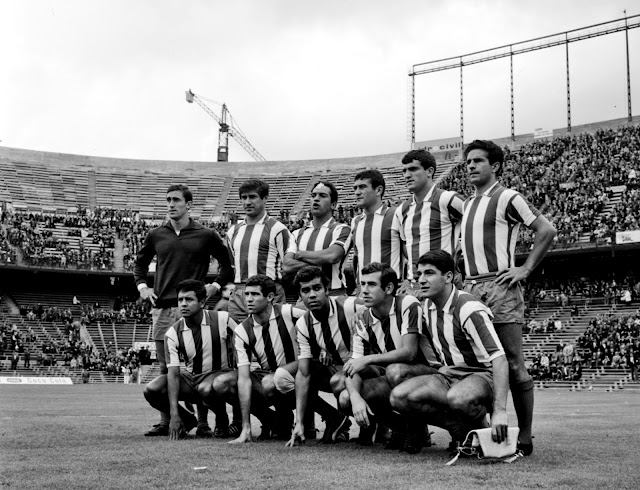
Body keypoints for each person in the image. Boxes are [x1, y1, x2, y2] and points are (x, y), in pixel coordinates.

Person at [460, 140, 557, 455]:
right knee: (480, 363)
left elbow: (547, 230)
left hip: (500, 286)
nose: (471, 166)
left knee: (513, 362)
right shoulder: (468, 203)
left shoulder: (507, 197)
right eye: (468, 162)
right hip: (471, 288)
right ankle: (490, 436)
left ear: (496, 166)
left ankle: (525, 437)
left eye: (478, 161)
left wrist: (525, 269)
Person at [134, 184, 234, 437]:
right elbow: (140, 263)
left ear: (188, 204)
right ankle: (169, 420)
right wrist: (143, 286)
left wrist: (214, 285)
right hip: (163, 308)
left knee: (199, 367)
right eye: (168, 199)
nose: (171, 204)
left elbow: (227, 265)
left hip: (194, 309)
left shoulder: (206, 234)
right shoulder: (156, 234)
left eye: (176, 200)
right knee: (166, 368)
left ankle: (202, 423)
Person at [390, 250, 509, 450]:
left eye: (429, 273)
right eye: (419, 274)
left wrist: (500, 411)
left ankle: (482, 428)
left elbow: (499, 359)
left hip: (482, 375)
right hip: (450, 375)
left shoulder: (469, 308)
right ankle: (460, 429)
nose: (422, 280)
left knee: (459, 397)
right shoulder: (426, 307)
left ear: (448, 277)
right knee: (399, 397)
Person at [331, 262, 439, 453]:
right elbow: (352, 366)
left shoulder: (407, 304)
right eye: (361, 284)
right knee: (345, 395)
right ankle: (402, 429)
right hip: (393, 376)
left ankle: (416, 427)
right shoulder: (362, 318)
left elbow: (409, 352)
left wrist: (368, 359)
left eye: (371, 285)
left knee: (395, 370)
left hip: (430, 374)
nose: (364, 291)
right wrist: (356, 397)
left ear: (389, 288)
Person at [213, 274, 304, 443]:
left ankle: (289, 420)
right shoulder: (242, 330)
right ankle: (270, 419)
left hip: (299, 372)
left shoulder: (289, 313)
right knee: (222, 383)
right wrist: (246, 427)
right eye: (247, 294)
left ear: (270, 297)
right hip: (267, 375)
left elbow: (318, 321)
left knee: (273, 380)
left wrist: (323, 350)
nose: (248, 299)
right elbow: (244, 378)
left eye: (255, 294)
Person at [143, 280, 237, 439]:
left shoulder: (223, 319)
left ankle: (222, 420)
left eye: (189, 299)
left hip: (221, 377)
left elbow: (245, 342)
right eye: (180, 300)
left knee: (207, 387)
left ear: (202, 302)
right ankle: (187, 420)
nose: (183, 304)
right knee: (152, 390)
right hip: (193, 379)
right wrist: (174, 415)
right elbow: (173, 373)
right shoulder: (173, 333)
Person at [281, 266, 363, 446]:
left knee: (341, 385)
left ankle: (379, 427)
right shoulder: (304, 323)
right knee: (283, 378)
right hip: (339, 371)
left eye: (316, 288)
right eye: (305, 290)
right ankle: (334, 418)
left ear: (327, 290)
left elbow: (378, 308)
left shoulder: (350, 306)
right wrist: (299, 423)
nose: (311, 295)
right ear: (300, 296)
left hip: (369, 369)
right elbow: (303, 373)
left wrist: (366, 310)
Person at [392, 149, 464, 296]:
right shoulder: (402, 210)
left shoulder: (447, 199)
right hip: (415, 289)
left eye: (413, 169)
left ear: (429, 171)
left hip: (443, 286)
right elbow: (408, 248)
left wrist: (458, 257)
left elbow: (477, 223)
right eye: (404, 171)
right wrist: (410, 278)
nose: (407, 175)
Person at [226, 179, 292, 322]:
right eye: (244, 197)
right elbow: (233, 265)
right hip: (239, 292)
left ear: (265, 198)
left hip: (267, 291)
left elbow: (289, 264)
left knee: (271, 337)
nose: (247, 202)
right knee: (238, 338)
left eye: (252, 197)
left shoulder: (278, 229)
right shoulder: (233, 231)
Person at [283, 181, 351, 297]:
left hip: (334, 294)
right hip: (304, 298)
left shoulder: (342, 229)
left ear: (333, 205)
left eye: (322, 196)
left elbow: (332, 256)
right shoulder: (296, 233)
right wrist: (321, 263)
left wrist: (299, 254)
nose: (316, 199)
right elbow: (287, 265)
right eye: (313, 195)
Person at [350, 169, 401, 288]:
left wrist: (409, 281)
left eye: (362, 187)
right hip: (364, 292)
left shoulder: (396, 215)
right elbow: (357, 258)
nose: (357, 192)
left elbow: (407, 252)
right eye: (355, 188)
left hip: (389, 290)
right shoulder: (355, 221)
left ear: (378, 190)